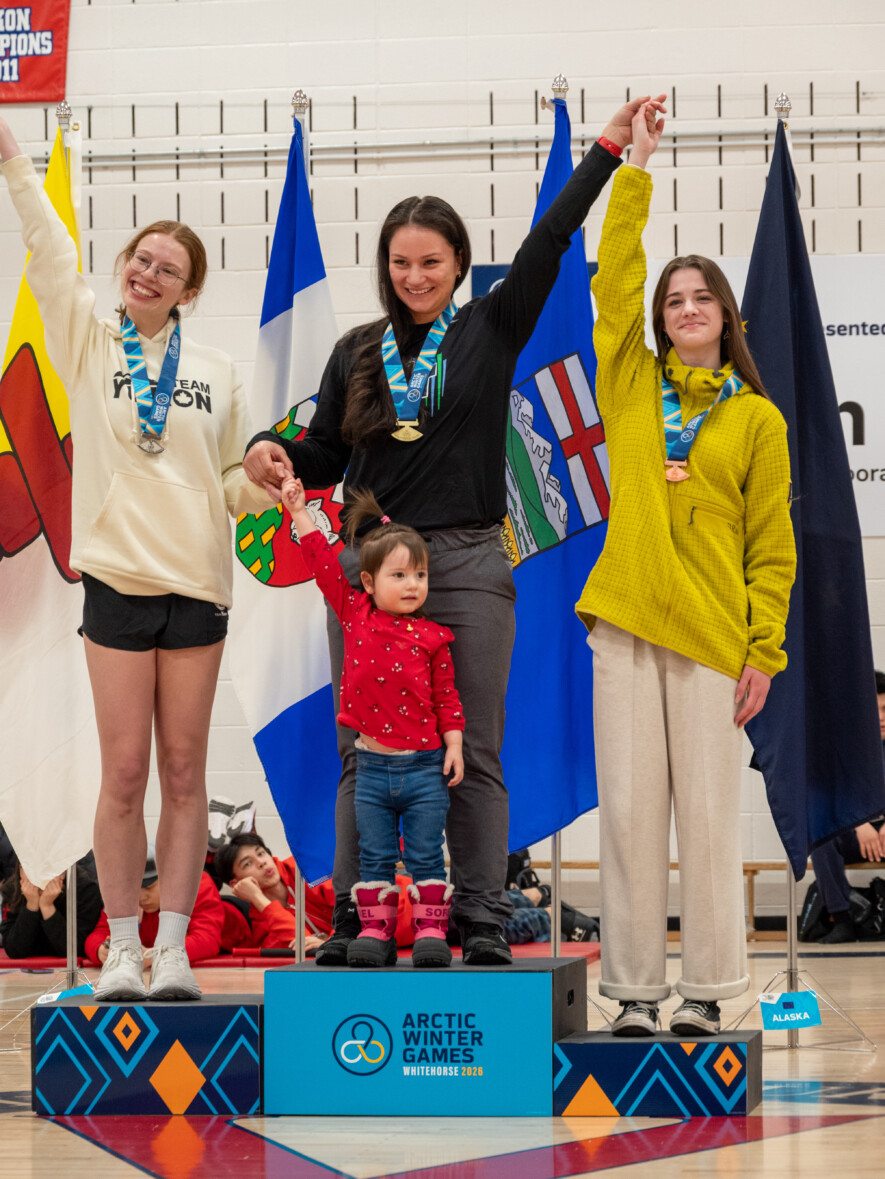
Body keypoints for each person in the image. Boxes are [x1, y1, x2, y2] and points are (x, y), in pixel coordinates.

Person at [243, 96, 650, 967]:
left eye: (430, 262)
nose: (414, 277)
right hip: (365, 564)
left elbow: (548, 240)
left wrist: (610, 148)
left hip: (466, 560)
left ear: (459, 265)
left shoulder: (489, 328)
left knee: (476, 749)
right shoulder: (356, 350)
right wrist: (264, 450)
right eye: (400, 263)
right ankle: (359, 917)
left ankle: (478, 917)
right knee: (364, 748)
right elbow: (318, 450)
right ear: (385, 267)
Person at [0, 116, 272, 1003]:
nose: (146, 272)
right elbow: (45, 246)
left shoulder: (221, 370)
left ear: (186, 290)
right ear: (123, 266)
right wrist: (12, 160)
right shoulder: (85, 335)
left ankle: (174, 951)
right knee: (124, 770)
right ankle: (122, 944)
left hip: (196, 584)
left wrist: (262, 481)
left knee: (186, 770)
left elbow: (230, 478)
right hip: (115, 579)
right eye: (139, 258)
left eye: (167, 268)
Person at [575, 101, 797, 1037]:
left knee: (707, 821)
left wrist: (763, 648)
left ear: (725, 315)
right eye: (674, 300)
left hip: (711, 637)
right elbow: (613, 276)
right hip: (625, 622)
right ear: (660, 321)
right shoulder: (628, 378)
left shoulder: (755, 419)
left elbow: (770, 547)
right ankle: (629, 992)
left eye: (701, 297)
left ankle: (713, 988)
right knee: (628, 819)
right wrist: (633, 167)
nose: (686, 308)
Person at [282, 477, 464, 968]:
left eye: (419, 576)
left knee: (427, 854)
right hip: (371, 770)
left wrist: (454, 745)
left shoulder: (433, 637)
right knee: (376, 856)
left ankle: (431, 932)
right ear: (368, 582)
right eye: (399, 576)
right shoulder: (354, 613)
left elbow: (447, 696)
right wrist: (300, 514)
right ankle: (375, 932)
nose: (413, 586)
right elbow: (321, 561)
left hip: (425, 769)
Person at [808, 669, 885, 943]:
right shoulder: (845, 747)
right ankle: (842, 920)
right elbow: (828, 794)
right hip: (856, 831)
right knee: (819, 836)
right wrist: (859, 823)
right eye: (873, 710)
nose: (881, 717)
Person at [85, 844, 225, 984]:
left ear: (171, 879)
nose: (141, 898)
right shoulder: (122, 894)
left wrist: (153, 956)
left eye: (149, 888)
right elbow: (99, 932)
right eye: (134, 890)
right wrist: (100, 951)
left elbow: (208, 940)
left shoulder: (197, 885)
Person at [0, 859, 102, 960]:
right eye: (29, 867)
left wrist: (47, 907)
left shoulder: (86, 890)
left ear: (63, 871)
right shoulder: (12, 889)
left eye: (46, 867)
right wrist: (31, 906)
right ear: (20, 871)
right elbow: (14, 951)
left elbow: (76, 950)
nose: (38, 876)